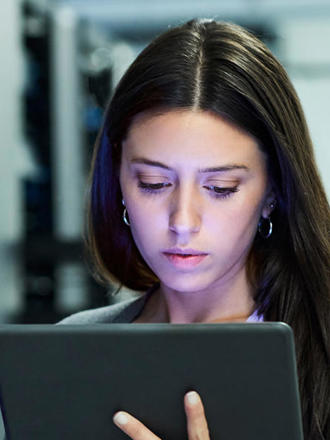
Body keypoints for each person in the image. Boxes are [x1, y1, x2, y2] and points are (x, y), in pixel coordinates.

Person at [60, 19, 330, 440]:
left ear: (273, 192)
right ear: (118, 182)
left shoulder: (321, 349)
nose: (182, 221)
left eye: (220, 188)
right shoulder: (71, 349)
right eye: (153, 183)